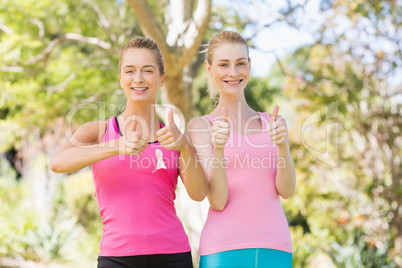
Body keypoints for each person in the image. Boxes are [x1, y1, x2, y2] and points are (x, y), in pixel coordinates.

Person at [50, 37, 207, 268]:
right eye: (130, 70)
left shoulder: (173, 137)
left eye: (148, 70)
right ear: (121, 78)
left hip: (173, 255)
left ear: (161, 79)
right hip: (116, 257)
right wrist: (117, 146)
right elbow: (57, 163)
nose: (139, 78)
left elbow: (199, 193)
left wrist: (184, 146)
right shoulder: (99, 130)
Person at [188, 31, 296, 268]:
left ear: (250, 65)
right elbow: (217, 200)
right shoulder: (202, 126)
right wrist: (218, 149)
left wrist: (282, 146)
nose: (233, 73)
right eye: (223, 64)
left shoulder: (274, 122)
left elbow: (286, 191)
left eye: (240, 63)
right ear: (209, 69)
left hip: (275, 247)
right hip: (223, 249)